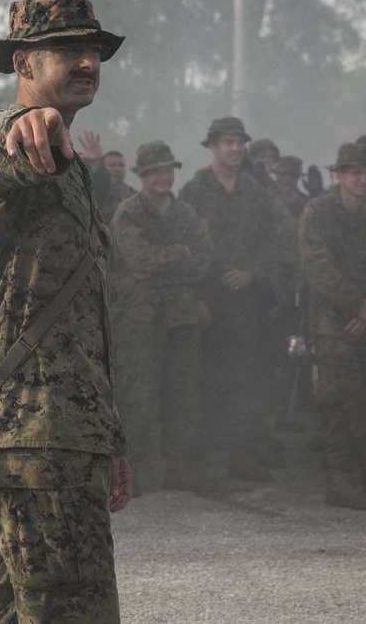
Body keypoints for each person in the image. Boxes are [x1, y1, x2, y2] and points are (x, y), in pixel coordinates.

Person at [0, 0, 131, 623]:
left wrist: (109, 437)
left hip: (61, 433)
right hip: (35, 433)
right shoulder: (11, 145)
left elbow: (88, 325)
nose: (87, 61)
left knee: (0, 607)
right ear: (23, 61)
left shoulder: (73, 172)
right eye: (67, 49)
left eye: (94, 51)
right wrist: (24, 123)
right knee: (71, 610)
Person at [178, 116, 294, 482]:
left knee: (243, 377)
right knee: (200, 378)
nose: (234, 149)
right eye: (226, 142)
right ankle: (194, 457)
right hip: (206, 301)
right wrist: (193, 297)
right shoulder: (193, 192)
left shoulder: (257, 193)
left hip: (244, 302)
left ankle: (239, 454)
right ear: (212, 146)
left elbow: (284, 234)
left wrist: (253, 272)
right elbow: (180, 246)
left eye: (238, 142)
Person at [298, 143, 366, 510]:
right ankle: (339, 480)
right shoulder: (318, 212)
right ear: (339, 175)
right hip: (331, 324)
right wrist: (359, 305)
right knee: (339, 401)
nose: (363, 178)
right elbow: (317, 267)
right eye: (355, 171)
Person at [110, 140, 212, 495]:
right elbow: (139, 259)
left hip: (181, 315)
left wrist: (169, 261)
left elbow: (204, 258)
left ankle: (177, 465)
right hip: (140, 316)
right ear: (143, 176)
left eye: (168, 171)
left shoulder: (186, 213)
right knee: (137, 395)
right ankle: (130, 469)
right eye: (155, 172)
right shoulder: (128, 213)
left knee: (182, 392)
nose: (162, 178)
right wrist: (179, 255)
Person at [271, 155, 309, 219]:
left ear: (295, 177)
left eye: (283, 175)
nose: (278, 178)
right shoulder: (270, 196)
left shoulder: (306, 201)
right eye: (277, 174)